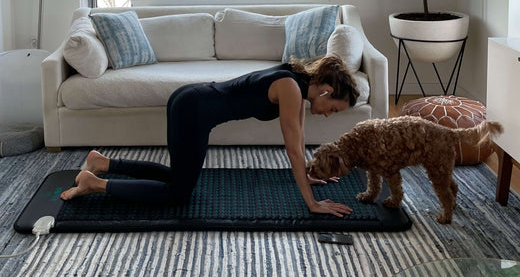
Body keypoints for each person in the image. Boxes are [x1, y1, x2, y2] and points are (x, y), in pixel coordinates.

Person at [60, 54, 360, 217]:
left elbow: (299, 138)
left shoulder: (296, 84)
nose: (329, 113)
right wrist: (312, 204)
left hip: (190, 99)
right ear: (326, 90)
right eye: (333, 107)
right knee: (178, 195)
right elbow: (292, 150)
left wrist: (307, 175)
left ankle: (103, 163)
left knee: (178, 177)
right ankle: (96, 183)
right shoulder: (291, 88)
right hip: (194, 110)